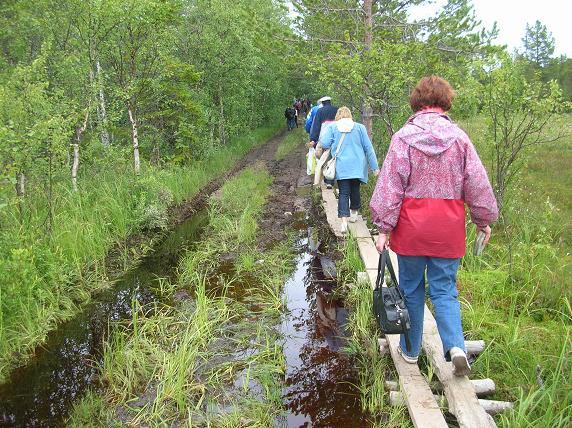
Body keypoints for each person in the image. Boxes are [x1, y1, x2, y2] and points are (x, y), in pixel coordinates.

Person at [369, 75, 498, 376]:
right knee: (445, 290)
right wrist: (483, 220)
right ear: (446, 102)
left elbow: (390, 187)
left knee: (411, 290)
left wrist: (383, 228)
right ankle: (455, 348)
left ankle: (410, 351)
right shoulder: (460, 139)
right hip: (447, 229)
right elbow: (477, 183)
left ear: (416, 102)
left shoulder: (403, 138)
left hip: (411, 230)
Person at [320, 107, 379, 233]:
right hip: (357, 166)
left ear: (338, 116)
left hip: (342, 166)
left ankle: (343, 223)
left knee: (343, 192)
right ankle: (354, 213)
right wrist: (375, 167)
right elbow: (369, 148)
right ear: (350, 115)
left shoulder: (333, 127)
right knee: (355, 189)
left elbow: (324, 143)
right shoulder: (360, 128)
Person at [309, 96, 339, 188]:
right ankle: (331, 179)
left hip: (323, 139)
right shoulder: (337, 110)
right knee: (333, 158)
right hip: (336, 138)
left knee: (324, 158)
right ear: (330, 101)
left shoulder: (320, 111)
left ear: (322, 103)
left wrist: (313, 139)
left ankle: (327, 179)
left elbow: (316, 126)